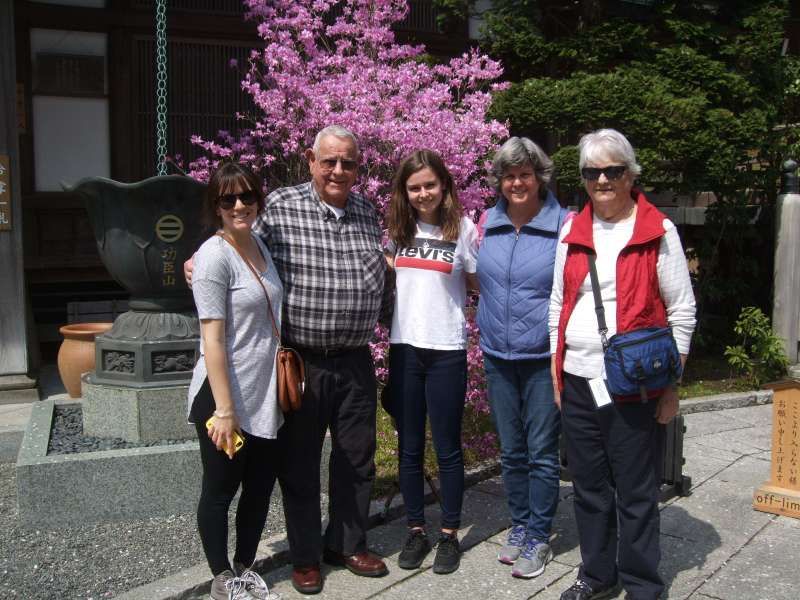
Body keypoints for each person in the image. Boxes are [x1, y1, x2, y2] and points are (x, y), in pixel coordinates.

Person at [549, 129, 696, 600]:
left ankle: (641, 583)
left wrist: (673, 386)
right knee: (588, 486)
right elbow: (558, 303)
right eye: (593, 172)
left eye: (613, 170)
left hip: (635, 382)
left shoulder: (657, 230)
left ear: (631, 174)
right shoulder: (572, 229)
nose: (603, 180)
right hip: (578, 379)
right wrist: (557, 370)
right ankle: (596, 575)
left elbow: (682, 311)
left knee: (635, 491)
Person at [187, 162, 283, 600]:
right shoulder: (213, 256)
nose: (240, 205)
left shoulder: (260, 243)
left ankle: (246, 566)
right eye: (229, 199)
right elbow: (212, 339)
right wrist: (224, 411)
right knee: (221, 489)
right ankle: (221, 577)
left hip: (263, 390)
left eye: (247, 196)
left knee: (260, 486)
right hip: (223, 394)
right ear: (217, 205)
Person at [476, 137, 569, 579]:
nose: (517, 182)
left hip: (541, 356)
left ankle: (539, 533)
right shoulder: (487, 221)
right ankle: (519, 523)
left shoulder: (563, 224)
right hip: (497, 353)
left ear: (539, 178)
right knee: (511, 452)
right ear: (500, 180)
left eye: (525, 174)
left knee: (542, 453)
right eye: (509, 175)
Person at [384, 150, 479, 575]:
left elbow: (478, 283)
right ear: (405, 192)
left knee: (447, 448)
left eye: (430, 185)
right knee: (409, 449)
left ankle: (449, 535)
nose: (423, 193)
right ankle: (416, 530)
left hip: (446, 351)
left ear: (444, 186)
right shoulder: (396, 232)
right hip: (405, 349)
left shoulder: (464, 231)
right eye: (414, 186)